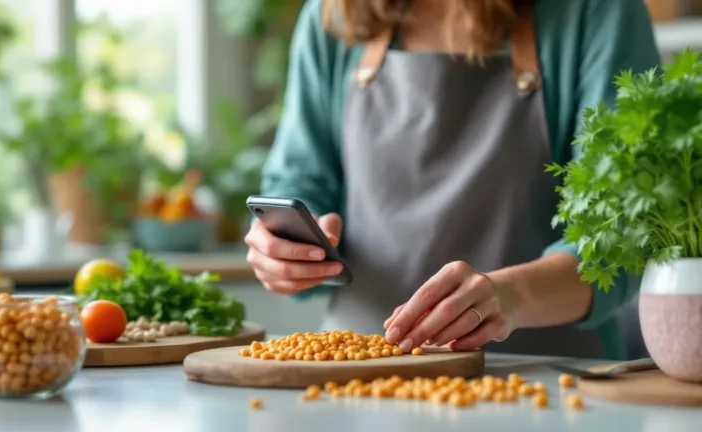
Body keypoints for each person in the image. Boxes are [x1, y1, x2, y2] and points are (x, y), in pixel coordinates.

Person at [244, 0, 661, 360]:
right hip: (353, 375)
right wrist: (287, 250)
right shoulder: (336, 13)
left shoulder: (597, 11)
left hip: (546, 380)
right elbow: (299, 182)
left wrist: (512, 295)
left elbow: (624, 236)